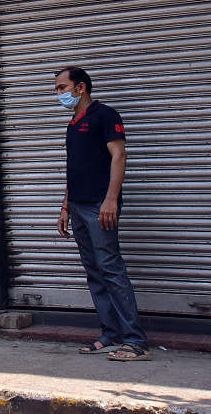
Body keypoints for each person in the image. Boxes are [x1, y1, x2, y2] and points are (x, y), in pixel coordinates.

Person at [54, 67, 149, 361]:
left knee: (110, 267)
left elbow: (119, 156)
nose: (58, 94)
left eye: (61, 87)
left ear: (80, 88)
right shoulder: (73, 123)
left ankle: (135, 341)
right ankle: (110, 334)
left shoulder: (105, 115)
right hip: (79, 206)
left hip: (100, 205)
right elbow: (74, 169)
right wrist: (66, 206)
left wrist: (111, 200)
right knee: (94, 271)